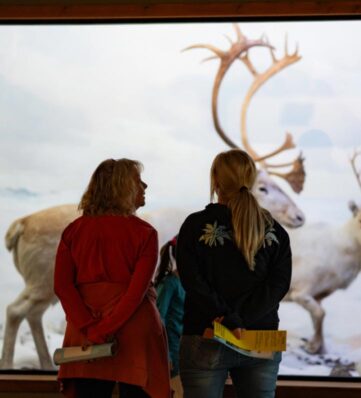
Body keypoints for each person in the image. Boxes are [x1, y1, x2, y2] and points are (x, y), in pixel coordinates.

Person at [176, 149, 292, 398]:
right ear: (251, 181)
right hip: (260, 338)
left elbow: (192, 282)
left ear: (216, 182)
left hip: (205, 333)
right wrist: (243, 319)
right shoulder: (276, 231)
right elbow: (278, 285)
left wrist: (229, 321)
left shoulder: (195, 225)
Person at [54, 158, 171, 398]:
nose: (145, 186)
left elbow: (62, 286)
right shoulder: (145, 233)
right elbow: (135, 293)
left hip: (84, 333)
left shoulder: (73, 231)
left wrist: (90, 328)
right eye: (138, 182)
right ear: (122, 188)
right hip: (135, 332)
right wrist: (107, 328)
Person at [154, 237, 185, 398]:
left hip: (189, 352)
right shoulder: (170, 283)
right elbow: (159, 318)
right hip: (173, 352)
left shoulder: (194, 283)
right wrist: (166, 355)